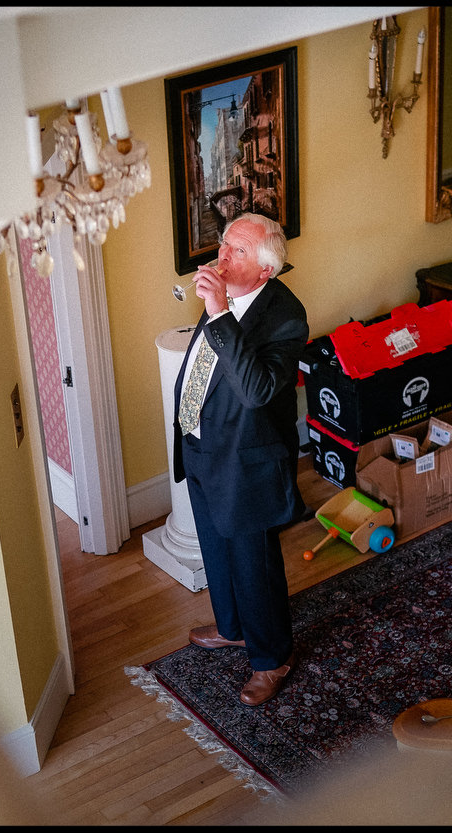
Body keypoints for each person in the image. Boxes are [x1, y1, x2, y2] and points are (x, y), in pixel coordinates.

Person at [172, 212, 309, 707]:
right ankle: (232, 628)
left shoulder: (286, 316)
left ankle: (271, 658)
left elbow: (254, 391)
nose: (221, 257)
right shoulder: (225, 292)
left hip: (245, 461)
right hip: (202, 444)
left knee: (255, 564)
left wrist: (219, 311)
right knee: (215, 546)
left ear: (265, 270)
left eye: (237, 252)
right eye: (223, 245)